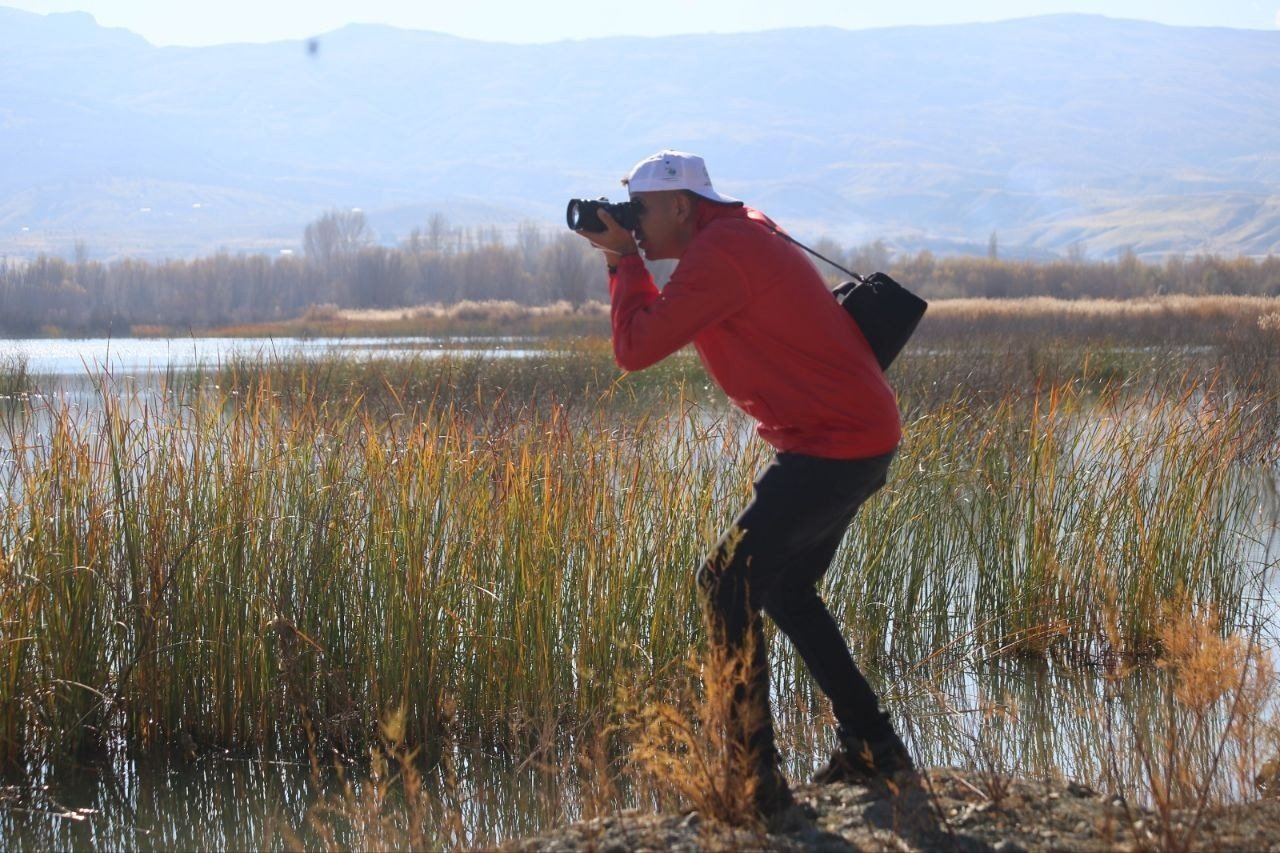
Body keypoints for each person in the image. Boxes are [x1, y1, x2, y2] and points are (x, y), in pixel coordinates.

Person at [575, 149, 915, 821]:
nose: (632, 223)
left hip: (833, 443)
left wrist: (622, 263)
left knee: (725, 582)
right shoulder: (740, 231)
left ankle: (754, 775)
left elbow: (635, 350)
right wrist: (631, 253)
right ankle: (874, 745)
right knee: (782, 587)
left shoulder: (721, 254)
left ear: (680, 205)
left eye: (638, 211)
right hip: (853, 435)